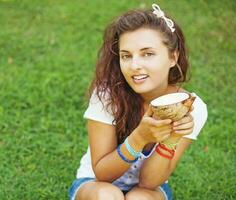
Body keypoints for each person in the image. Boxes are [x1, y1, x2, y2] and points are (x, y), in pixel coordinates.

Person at [69, 3, 207, 200]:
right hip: (95, 184)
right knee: (107, 196)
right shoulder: (108, 95)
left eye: (147, 54)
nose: (134, 66)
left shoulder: (192, 107)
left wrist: (172, 137)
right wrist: (139, 138)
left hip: (148, 191)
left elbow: (149, 182)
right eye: (126, 56)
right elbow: (102, 174)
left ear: (172, 57)